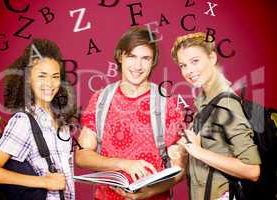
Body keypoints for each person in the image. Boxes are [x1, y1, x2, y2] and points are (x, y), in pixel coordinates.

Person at [76, 27, 187, 200]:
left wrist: (150, 192)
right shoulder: (100, 100)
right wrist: (123, 164)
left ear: (153, 61)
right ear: (120, 57)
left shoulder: (168, 104)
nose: (138, 66)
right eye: (132, 57)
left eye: (145, 58)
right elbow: (82, 156)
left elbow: (179, 168)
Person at [0, 39, 77, 200]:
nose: (49, 83)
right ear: (28, 79)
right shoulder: (23, 121)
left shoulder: (62, 123)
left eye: (55, 76)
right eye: (42, 76)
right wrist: (44, 182)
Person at [170, 32, 261, 200]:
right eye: (183, 65)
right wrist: (182, 150)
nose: (189, 71)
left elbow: (252, 170)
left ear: (212, 58)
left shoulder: (226, 102)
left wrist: (198, 151)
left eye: (194, 61)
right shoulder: (205, 100)